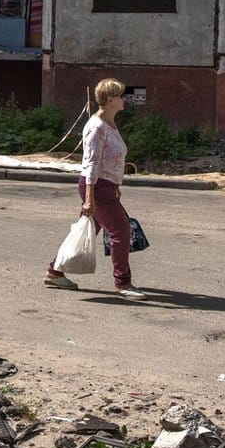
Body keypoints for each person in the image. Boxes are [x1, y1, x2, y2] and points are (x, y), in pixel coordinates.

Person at [44, 78, 147, 301]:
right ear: (110, 100)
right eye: (120, 96)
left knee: (88, 229)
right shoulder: (96, 127)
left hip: (106, 186)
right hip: (96, 187)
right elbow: (91, 163)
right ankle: (123, 283)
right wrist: (90, 198)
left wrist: (116, 185)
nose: (123, 99)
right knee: (120, 231)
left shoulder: (109, 123)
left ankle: (55, 272)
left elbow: (112, 161)